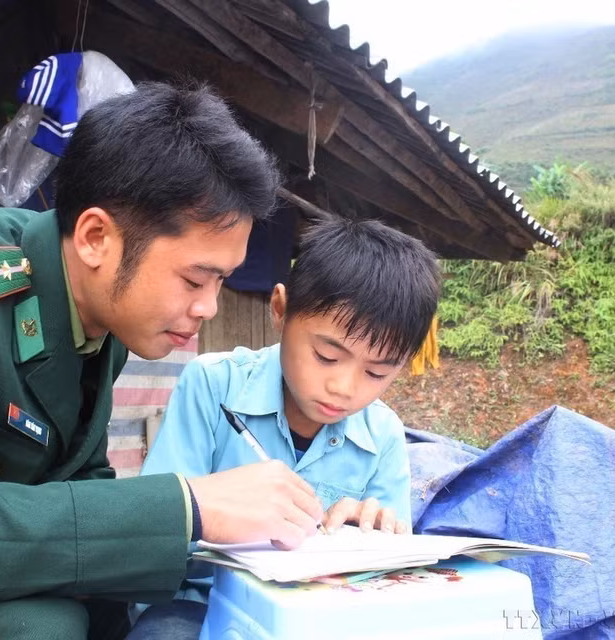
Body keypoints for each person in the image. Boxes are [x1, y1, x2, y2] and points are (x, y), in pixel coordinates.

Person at [0, 83, 324, 640]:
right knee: (44, 627)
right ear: (95, 237)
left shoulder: (101, 315)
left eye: (221, 281)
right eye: (194, 278)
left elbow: (77, 475)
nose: (207, 307)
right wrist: (188, 506)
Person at [128, 216, 442, 639]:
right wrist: (214, 512)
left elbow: (388, 580)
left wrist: (375, 537)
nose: (343, 387)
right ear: (280, 310)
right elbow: (151, 532)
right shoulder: (213, 385)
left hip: (321, 617)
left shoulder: (383, 434)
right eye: (327, 357)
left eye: (377, 373)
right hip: (197, 607)